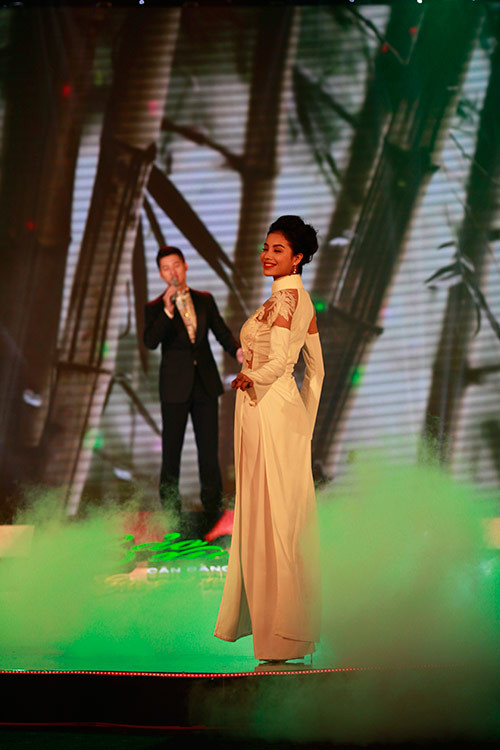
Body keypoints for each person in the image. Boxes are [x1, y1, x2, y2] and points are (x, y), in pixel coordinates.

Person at [214, 215, 324, 663]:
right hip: (277, 413)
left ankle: (281, 635)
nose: (266, 255)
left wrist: (253, 377)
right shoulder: (296, 300)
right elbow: (317, 372)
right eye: (265, 247)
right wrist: (303, 427)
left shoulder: (287, 299)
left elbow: (280, 361)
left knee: (271, 520)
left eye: (277, 249)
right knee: (276, 519)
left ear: (297, 258)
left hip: (266, 407)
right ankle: (285, 636)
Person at [143, 245, 243, 537]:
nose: (172, 272)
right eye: (166, 268)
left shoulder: (204, 300)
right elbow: (150, 342)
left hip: (205, 386)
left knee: (208, 453)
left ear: (185, 266)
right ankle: (171, 517)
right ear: (160, 274)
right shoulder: (154, 308)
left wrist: (236, 351)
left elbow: (221, 332)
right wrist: (167, 310)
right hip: (174, 389)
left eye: (176, 265)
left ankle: (213, 514)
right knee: (171, 455)